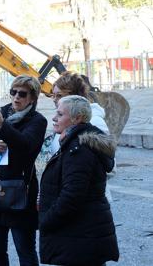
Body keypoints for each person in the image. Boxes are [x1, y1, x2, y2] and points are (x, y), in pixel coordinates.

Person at [38, 95, 119, 265]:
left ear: (77, 119)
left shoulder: (78, 149)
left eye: (60, 115)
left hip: (80, 237)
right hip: (83, 234)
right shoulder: (75, 144)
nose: (54, 118)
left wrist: (46, 220)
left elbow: (72, 196)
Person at [0, 75, 47, 266]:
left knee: (25, 252)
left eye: (22, 94)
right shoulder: (2, 113)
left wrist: (2, 124)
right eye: (13, 92)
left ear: (32, 98)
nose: (16, 97)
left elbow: (26, 146)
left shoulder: (37, 120)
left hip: (21, 190)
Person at [46, 71, 114, 202]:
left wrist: (77, 181)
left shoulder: (94, 121)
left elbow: (110, 165)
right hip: (64, 197)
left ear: (75, 97)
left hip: (87, 202)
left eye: (59, 95)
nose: (55, 99)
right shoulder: (61, 122)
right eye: (53, 95)